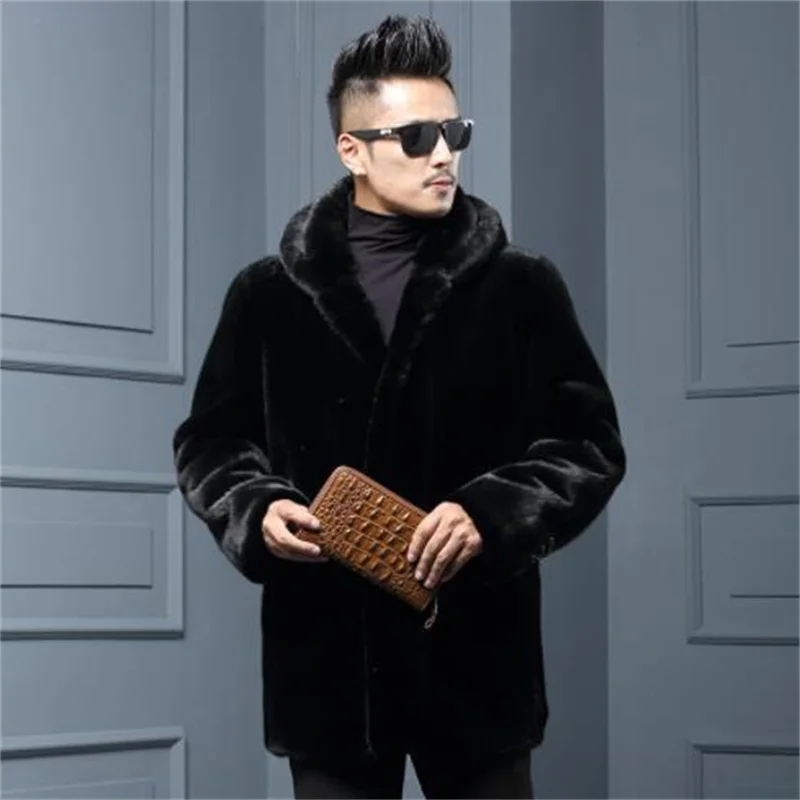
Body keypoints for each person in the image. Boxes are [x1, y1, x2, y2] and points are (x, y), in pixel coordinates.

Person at [173, 14, 626, 800]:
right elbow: (211, 442)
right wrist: (257, 508)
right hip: (329, 675)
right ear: (352, 149)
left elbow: (588, 444)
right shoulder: (267, 296)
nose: (443, 153)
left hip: (477, 666)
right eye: (416, 137)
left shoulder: (520, 287)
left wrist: (490, 514)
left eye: (455, 131)